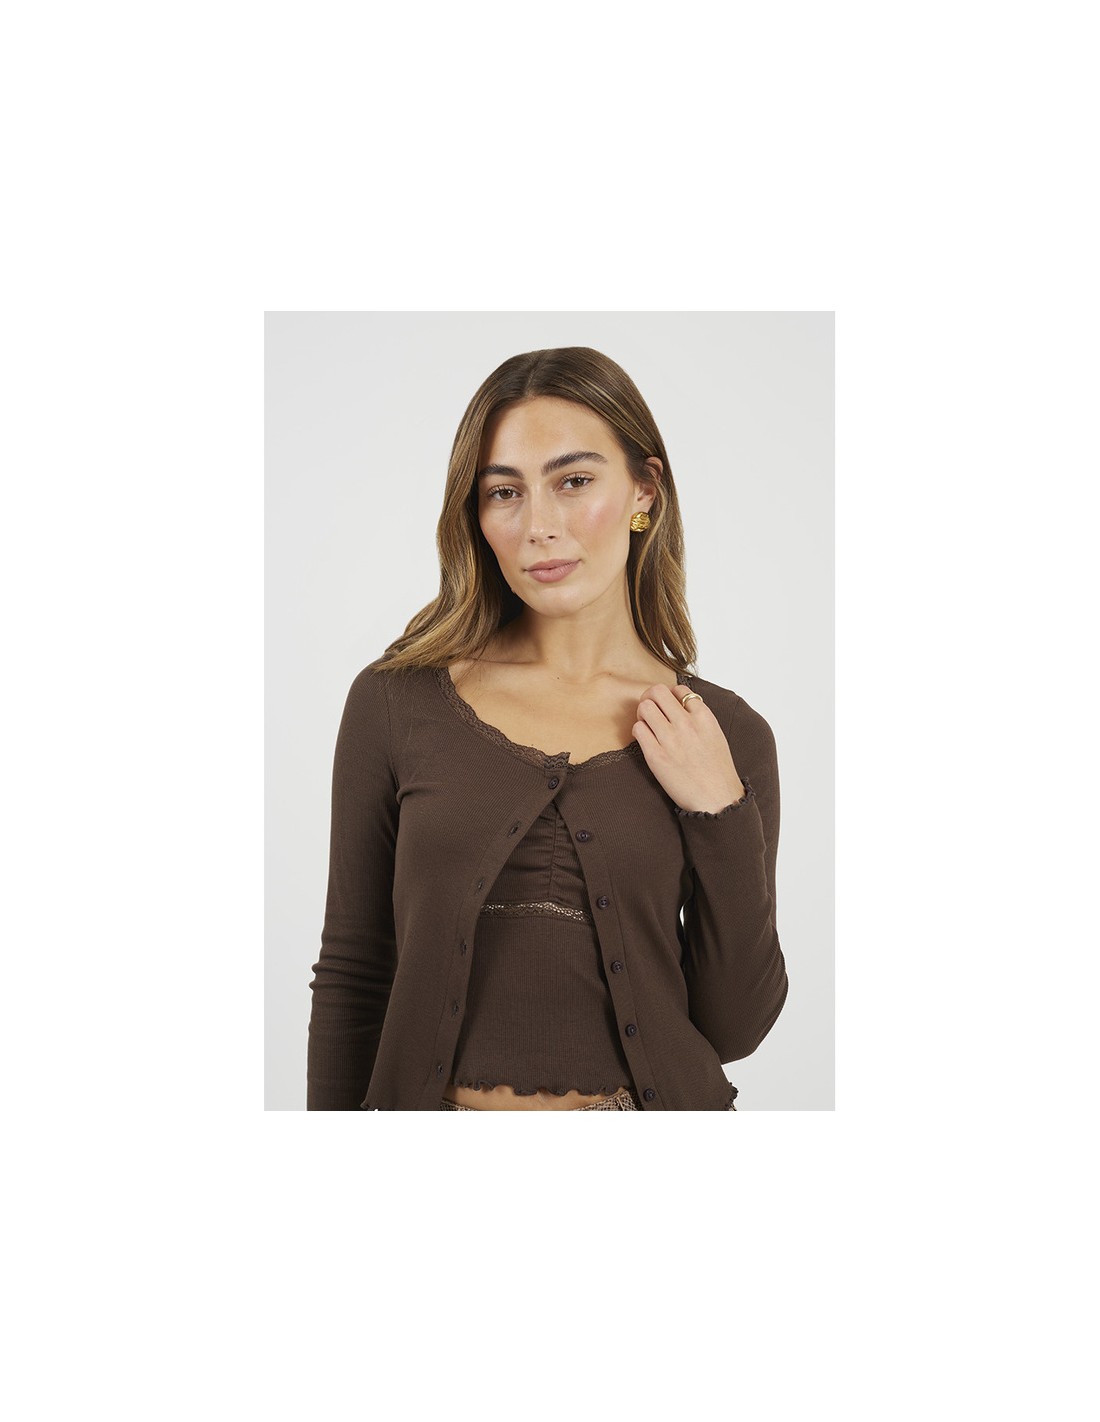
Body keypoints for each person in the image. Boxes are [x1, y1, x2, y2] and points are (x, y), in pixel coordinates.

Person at [306, 346, 788, 1111]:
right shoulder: (396, 702)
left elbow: (735, 1026)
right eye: (505, 493)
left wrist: (720, 813)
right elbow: (354, 973)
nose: (539, 526)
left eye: (573, 481)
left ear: (645, 489)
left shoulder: (724, 732)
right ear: (476, 515)